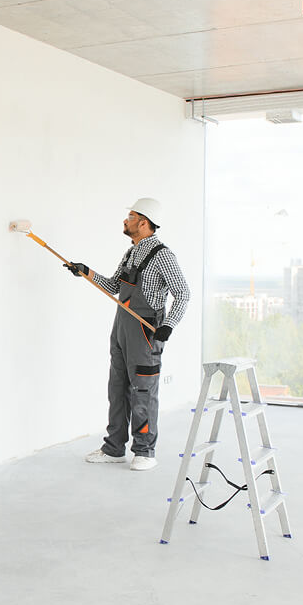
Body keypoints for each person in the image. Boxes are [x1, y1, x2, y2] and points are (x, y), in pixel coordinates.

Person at [64, 198, 189, 471]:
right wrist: (85, 272)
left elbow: (182, 292)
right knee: (117, 388)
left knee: (143, 390)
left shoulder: (163, 255)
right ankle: (114, 448)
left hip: (145, 332)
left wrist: (170, 324)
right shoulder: (131, 253)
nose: (125, 220)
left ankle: (145, 451)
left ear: (143, 222)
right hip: (121, 327)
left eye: (130, 216)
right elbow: (111, 286)